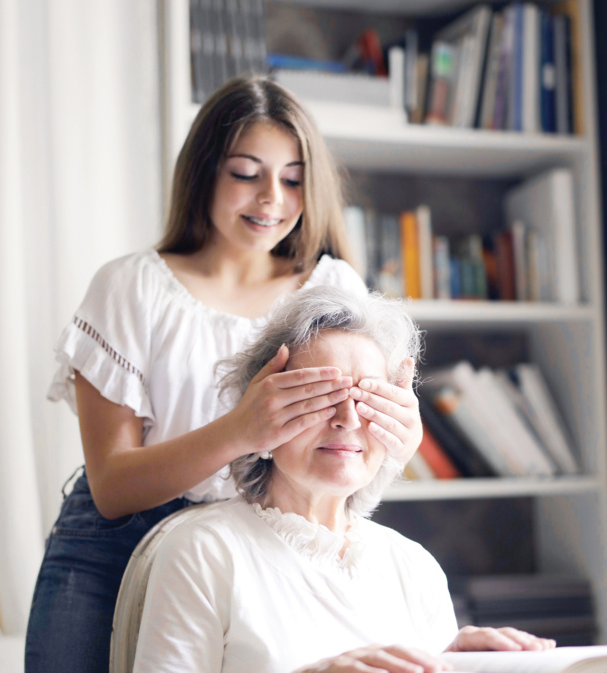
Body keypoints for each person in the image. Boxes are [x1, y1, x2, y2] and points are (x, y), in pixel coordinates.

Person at [24, 75, 425, 673]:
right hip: (114, 544)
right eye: (246, 173)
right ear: (205, 171)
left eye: (292, 179)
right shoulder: (130, 287)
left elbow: (348, 454)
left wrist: (402, 443)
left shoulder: (332, 287)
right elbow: (111, 489)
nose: (272, 199)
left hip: (263, 540)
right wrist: (242, 431)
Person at [132, 286, 556, 673]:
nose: (348, 420)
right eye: (321, 397)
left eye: (369, 399)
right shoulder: (203, 553)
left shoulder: (414, 567)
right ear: (262, 413)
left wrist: (462, 666)